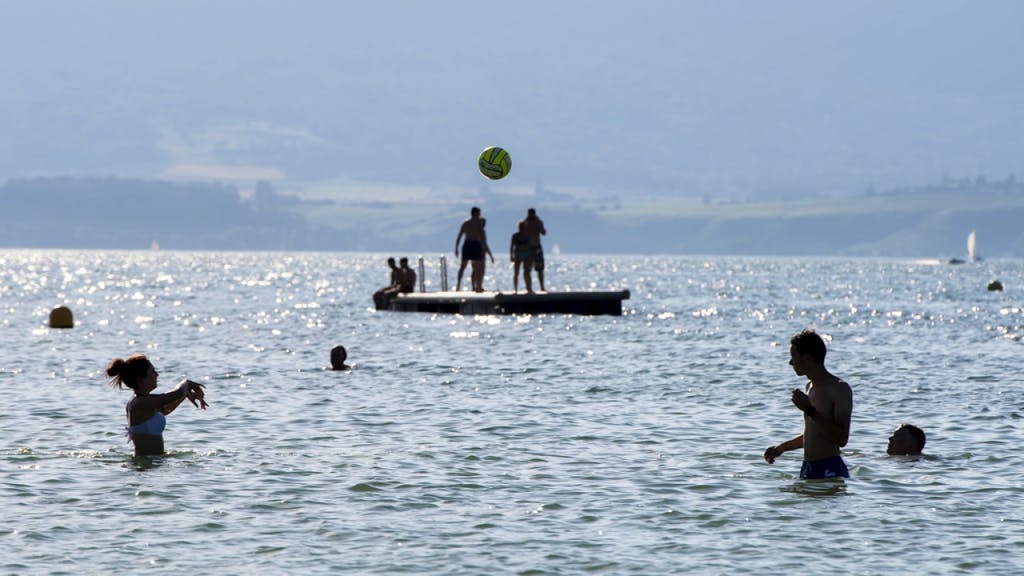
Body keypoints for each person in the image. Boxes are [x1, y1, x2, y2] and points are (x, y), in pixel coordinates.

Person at [764, 330, 853, 479]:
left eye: (793, 357)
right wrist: (782, 448)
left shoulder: (839, 388)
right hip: (808, 467)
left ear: (807, 359)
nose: (790, 362)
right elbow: (815, 433)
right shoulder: (809, 387)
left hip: (830, 468)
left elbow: (841, 438)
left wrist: (810, 410)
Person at [106, 354, 208, 457]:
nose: (157, 375)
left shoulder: (145, 401)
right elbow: (174, 394)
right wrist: (186, 382)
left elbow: (164, 410)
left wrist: (184, 395)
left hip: (153, 463)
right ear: (140, 378)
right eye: (153, 372)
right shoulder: (139, 402)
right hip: (145, 466)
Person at [454, 206, 494, 292]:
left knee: (463, 266)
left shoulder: (465, 222)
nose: (480, 214)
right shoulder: (478, 222)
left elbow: (459, 236)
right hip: (475, 244)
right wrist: (483, 246)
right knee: (478, 267)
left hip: (467, 244)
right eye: (479, 213)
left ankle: (458, 285)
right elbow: (482, 236)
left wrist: (456, 248)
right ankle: (478, 286)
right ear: (475, 213)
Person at [519, 208, 547, 292]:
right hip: (527, 248)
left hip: (537, 247)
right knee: (527, 269)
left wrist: (539, 224)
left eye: (532, 214)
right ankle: (529, 288)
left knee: (540, 268)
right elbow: (520, 234)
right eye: (530, 214)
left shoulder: (538, 222)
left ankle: (542, 287)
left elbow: (543, 232)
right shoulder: (524, 223)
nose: (531, 216)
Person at [510, 221, 531, 292]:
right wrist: (511, 256)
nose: (522, 229)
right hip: (518, 254)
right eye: (520, 227)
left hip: (526, 254)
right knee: (516, 272)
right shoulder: (515, 236)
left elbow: (530, 246)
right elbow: (512, 246)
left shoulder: (527, 235)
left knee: (527, 272)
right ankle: (515, 288)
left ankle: (528, 288)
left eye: (523, 227)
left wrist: (530, 256)